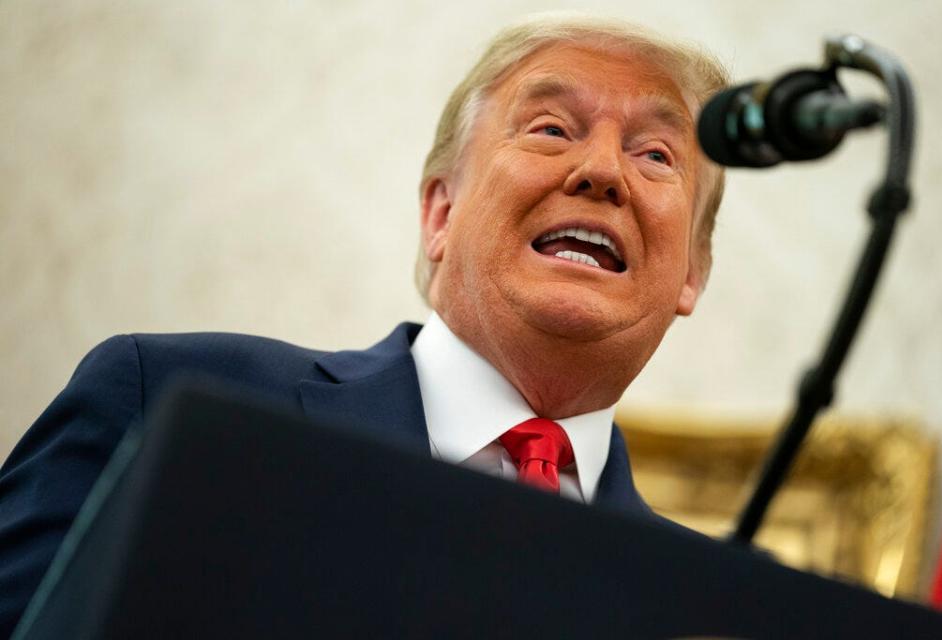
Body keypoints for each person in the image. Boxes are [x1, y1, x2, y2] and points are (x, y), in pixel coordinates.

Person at [0, 13, 728, 637]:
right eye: (550, 128)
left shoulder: (708, 605)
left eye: (656, 155)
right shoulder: (159, 400)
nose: (601, 170)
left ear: (691, 273)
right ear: (441, 213)